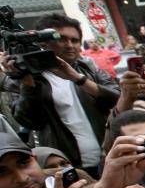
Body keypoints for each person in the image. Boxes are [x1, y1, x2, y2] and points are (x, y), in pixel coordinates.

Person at [8, 13, 121, 172]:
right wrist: (27, 81)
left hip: (108, 159)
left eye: (74, 40)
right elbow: (31, 121)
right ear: (44, 43)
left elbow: (118, 99)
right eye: (61, 39)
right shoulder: (24, 79)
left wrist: (78, 78)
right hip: (63, 167)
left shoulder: (90, 71)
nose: (70, 45)